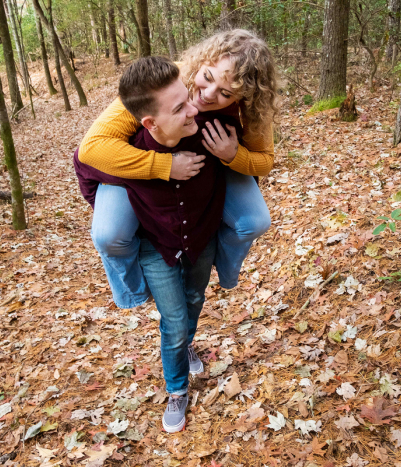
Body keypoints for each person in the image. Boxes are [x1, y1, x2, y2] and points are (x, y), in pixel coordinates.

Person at [74, 56, 242, 433]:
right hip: (156, 247)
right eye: (181, 107)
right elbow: (85, 169)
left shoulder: (212, 130)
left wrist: (234, 153)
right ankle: (177, 389)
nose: (194, 107)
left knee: (195, 301)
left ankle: (185, 346)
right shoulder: (128, 150)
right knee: (175, 319)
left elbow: (254, 155)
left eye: (189, 97)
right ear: (150, 122)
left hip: (202, 240)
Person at [77, 29, 278, 310]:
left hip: (217, 160)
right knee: (108, 235)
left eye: (226, 93)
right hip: (140, 159)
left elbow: (265, 160)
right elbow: (92, 147)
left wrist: (233, 155)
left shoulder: (252, 107)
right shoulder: (166, 80)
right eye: (207, 78)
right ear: (202, 61)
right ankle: (135, 292)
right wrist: (164, 165)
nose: (208, 95)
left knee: (254, 222)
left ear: (244, 94)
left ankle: (217, 264)